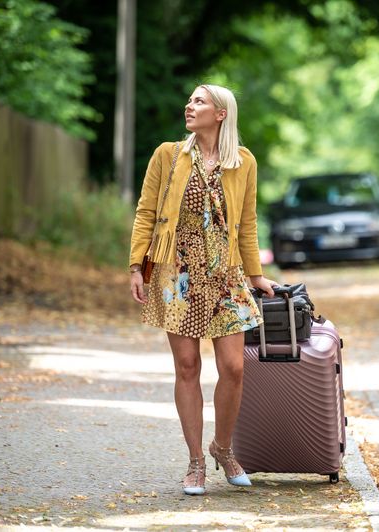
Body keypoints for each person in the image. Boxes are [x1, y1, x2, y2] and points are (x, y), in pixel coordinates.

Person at [129, 84, 276, 495]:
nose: (189, 106)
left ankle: (222, 448)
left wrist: (255, 274)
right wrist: (136, 266)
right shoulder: (168, 154)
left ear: (221, 114)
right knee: (188, 366)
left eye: (199, 101)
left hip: (225, 274)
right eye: (190, 100)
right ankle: (195, 462)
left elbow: (246, 223)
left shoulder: (243, 162)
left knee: (233, 367)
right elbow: (146, 211)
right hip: (177, 272)